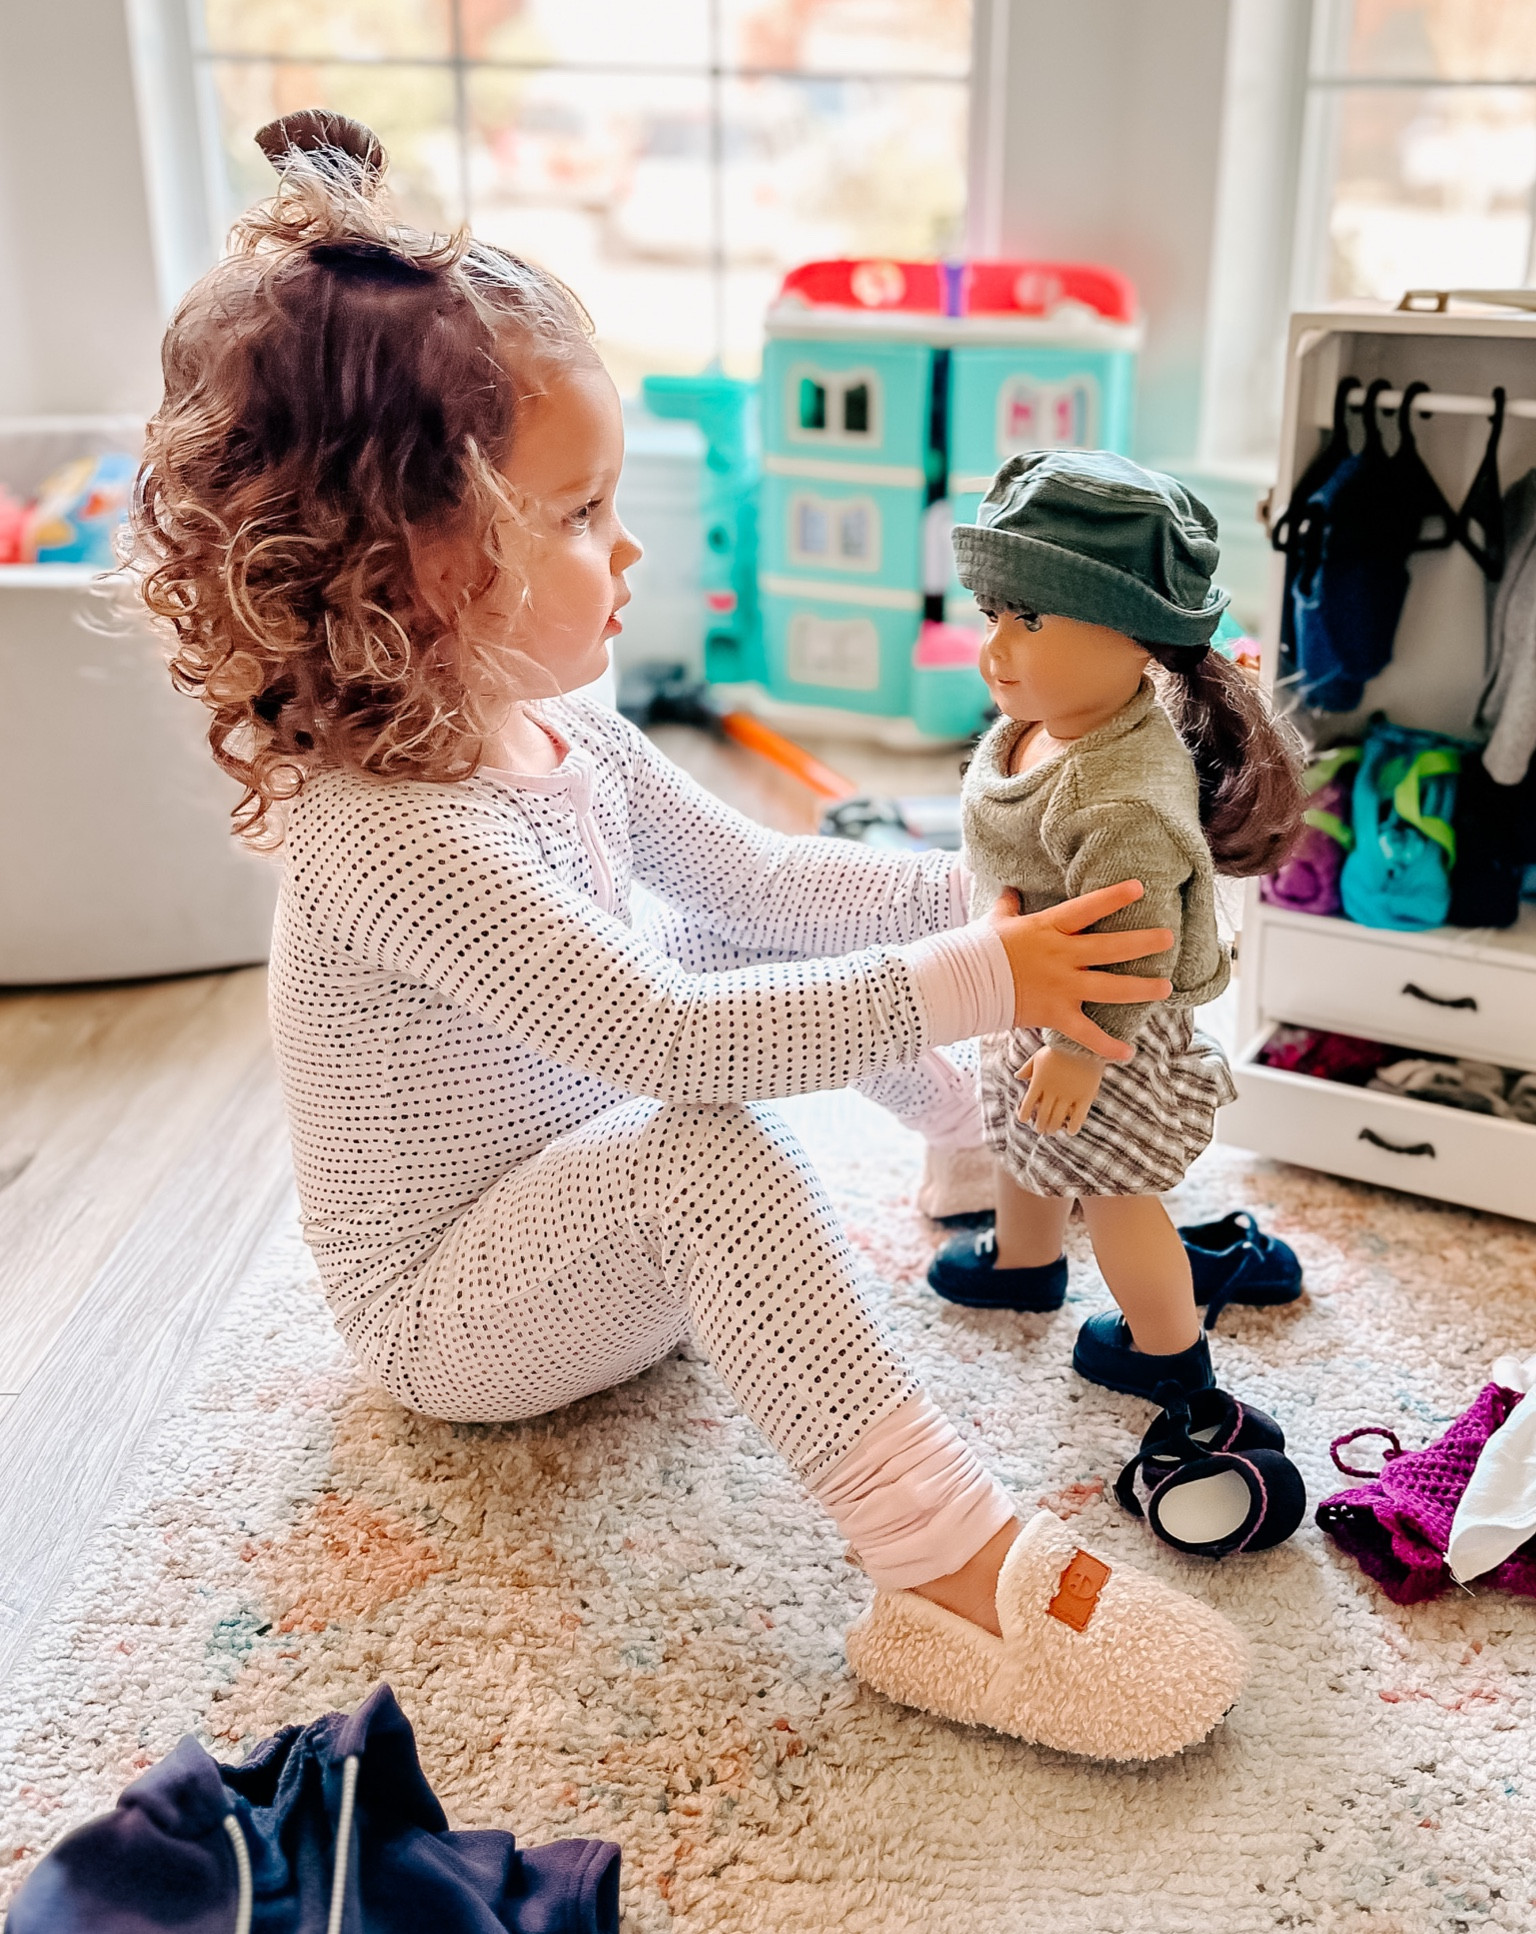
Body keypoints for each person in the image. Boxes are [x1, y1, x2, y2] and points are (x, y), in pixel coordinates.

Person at [127, 110, 1247, 1761]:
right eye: (579, 514)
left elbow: (770, 886)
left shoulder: (563, 725)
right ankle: (940, 1570)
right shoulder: (380, 827)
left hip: (586, 1218)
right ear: (405, 563)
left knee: (743, 955)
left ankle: (985, 1135)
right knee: (705, 1116)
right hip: (456, 1314)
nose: (631, 548)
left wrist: (1009, 908)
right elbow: (669, 1048)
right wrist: (984, 966)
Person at [929, 452, 1308, 1395]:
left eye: (1032, 621)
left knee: (1114, 1188)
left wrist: (1081, 1052)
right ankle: (1025, 1264)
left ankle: (1168, 1352)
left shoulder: (1124, 798)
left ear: (1138, 639)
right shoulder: (1043, 721)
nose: (996, 649)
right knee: (1021, 1132)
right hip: (1036, 990)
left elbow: (1130, 951)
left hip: (1111, 1029)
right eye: (993, 616)